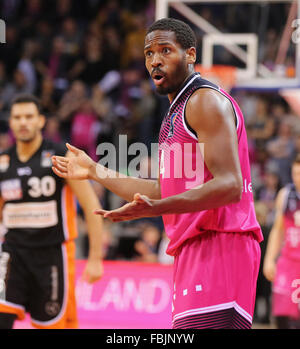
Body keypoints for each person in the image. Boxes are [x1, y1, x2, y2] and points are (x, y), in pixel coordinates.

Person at [52, 18, 263, 329]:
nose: (155, 60)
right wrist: (95, 171)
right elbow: (165, 190)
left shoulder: (203, 101)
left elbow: (230, 186)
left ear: (190, 54)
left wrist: (158, 208)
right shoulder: (176, 112)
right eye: (149, 53)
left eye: (166, 50)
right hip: (194, 250)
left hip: (221, 245)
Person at [0, 94, 103, 329]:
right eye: (17, 117)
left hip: (52, 256)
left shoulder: (60, 156)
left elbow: (91, 205)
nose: (23, 122)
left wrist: (95, 259)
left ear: (40, 121)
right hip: (12, 254)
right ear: (11, 123)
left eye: (29, 117)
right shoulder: (3, 162)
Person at [263, 154, 300, 329]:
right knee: (282, 316)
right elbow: (278, 230)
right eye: (295, 173)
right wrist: (270, 259)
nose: (298, 178)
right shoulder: (286, 194)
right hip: (288, 262)